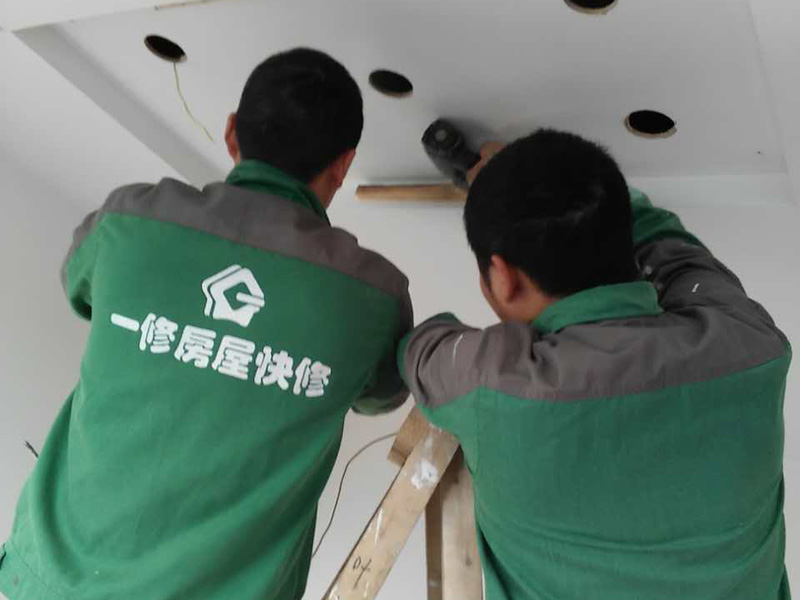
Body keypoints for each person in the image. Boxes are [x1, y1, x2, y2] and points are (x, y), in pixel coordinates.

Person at [0, 48, 412, 600]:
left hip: (53, 583)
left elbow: (81, 290)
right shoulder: (372, 295)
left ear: (231, 132)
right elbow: (381, 395)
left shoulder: (129, 222)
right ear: (343, 164)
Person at [399, 129, 792, 599]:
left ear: (502, 278)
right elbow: (675, 251)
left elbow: (420, 351)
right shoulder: (751, 345)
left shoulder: (495, 386)